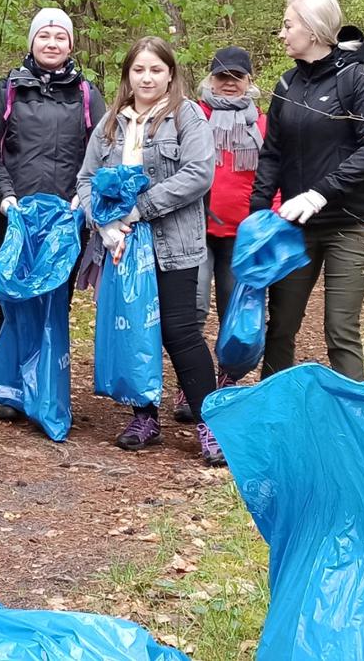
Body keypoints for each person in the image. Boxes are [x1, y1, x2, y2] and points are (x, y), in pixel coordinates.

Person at [73, 36, 220, 465]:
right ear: (128, 75)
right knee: (136, 329)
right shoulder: (110, 124)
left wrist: (140, 208)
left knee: (179, 330)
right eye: (139, 70)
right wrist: (102, 223)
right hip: (122, 246)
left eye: (156, 69)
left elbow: (198, 173)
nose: (147, 77)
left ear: (170, 73)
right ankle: (145, 416)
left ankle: (210, 422)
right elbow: (86, 179)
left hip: (173, 242)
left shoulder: (186, 116)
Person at [249, 0, 364, 383]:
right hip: (296, 228)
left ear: (312, 31)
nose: (281, 33)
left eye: (288, 24)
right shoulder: (285, 84)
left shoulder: (359, 82)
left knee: (340, 331)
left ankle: (351, 428)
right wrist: (257, 217)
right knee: (280, 327)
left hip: (350, 224)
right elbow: (272, 154)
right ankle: (273, 419)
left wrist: (319, 192)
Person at [0, 7, 106, 422]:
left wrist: (80, 199)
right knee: (14, 297)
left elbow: (100, 153)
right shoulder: (7, 91)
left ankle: (47, 380)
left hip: (67, 219)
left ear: (70, 44)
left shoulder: (88, 94)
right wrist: (5, 196)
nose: (51, 44)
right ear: (31, 42)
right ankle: (10, 387)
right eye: (44, 36)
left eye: (60, 37)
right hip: (12, 215)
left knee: (56, 298)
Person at [185, 45, 273, 419]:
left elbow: (274, 174)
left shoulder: (264, 123)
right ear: (211, 79)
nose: (229, 83)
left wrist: (272, 217)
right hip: (194, 228)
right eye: (222, 76)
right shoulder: (192, 116)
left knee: (234, 312)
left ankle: (226, 384)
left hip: (243, 232)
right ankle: (192, 387)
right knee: (194, 307)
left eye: (237, 77)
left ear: (249, 81)